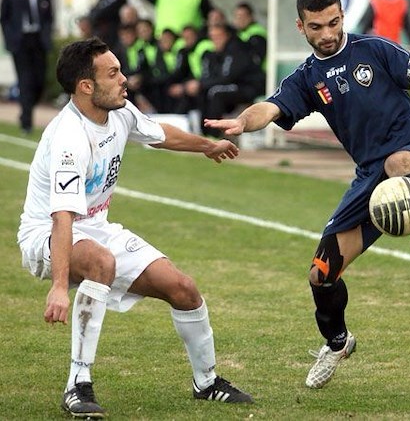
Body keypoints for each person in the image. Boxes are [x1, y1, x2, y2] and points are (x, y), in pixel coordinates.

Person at [205, 0, 410, 390]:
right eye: (316, 27)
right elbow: (270, 107)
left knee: (400, 162)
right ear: (301, 27)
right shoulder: (307, 78)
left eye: (333, 22)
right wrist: (243, 121)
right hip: (368, 178)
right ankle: (338, 342)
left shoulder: (376, 50)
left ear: (343, 16)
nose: (327, 33)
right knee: (321, 274)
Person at [17, 37, 253, 418]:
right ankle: (77, 385)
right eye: (113, 73)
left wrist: (206, 146)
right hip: (47, 234)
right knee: (100, 262)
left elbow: (159, 135)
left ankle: (207, 382)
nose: (124, 79)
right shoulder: (69, 139)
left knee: (184, 289)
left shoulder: (120, 111)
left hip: (96, 226)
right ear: (86, 87)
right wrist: (59, 287)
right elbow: (62, 217)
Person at [0, 0, 53, 134]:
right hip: (20, 41)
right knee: (25, 80)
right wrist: (10, 38)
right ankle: (27, 121)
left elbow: (49, 17)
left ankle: (27, 110)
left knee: (39, 80)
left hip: (38, 39)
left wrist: (47, 36)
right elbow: (4, 17)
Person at [200, 23, 266, 137]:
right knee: (203, 91)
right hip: (235, 85)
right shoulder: (216, 53)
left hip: (249, 87)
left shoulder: (235, 49)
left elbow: (228, 76)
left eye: (218, 37)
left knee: (215, 93)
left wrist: (202, 84)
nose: (215, 41)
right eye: (212, 37)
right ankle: (204, 132)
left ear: (226, 35)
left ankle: (213, 134)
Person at [233, 1, 267, 71]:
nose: (240, 20)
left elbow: (255, 59)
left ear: (251, 17)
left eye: (243, 16)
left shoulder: (257, 33)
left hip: (259, 75)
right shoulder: (240, 33)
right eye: (238, 16)